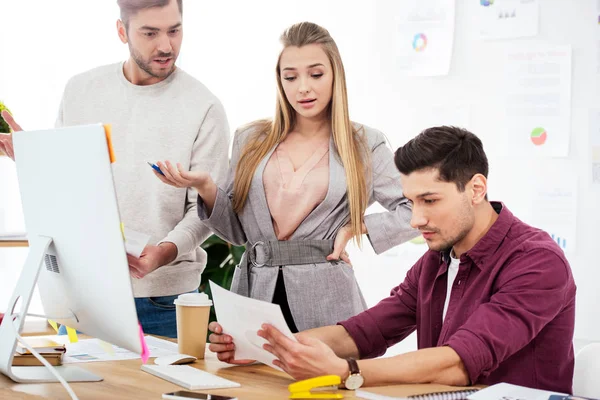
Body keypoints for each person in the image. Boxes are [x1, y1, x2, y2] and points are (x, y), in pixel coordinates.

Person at [208, 126, 576, 394]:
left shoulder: (537, 263)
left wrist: (345, 371)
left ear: (476, 189)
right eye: (411, 202)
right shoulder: (438, 260)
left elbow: (458, 363)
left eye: (429, 201)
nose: (415, 219)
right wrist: (269, 346)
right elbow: (368, 331)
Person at [153, 21, 417, 332]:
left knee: (325, 380)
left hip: (329, 304)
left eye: (316, 74)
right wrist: (206, 187)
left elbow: (417, 208)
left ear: (336, 76)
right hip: (254, 298)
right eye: (290, 77)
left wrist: (359, 227)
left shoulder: (364, 144)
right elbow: (237, 233)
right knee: (252, 379)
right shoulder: (250, 139)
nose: (303, 87)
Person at [0, 0, 230, 338]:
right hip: (86, 297)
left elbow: (205, 211)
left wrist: (163, 253)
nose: (166, 46)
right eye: (150, 33)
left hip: (164, 302)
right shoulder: (80, 90)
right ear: (122, 31)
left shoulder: (205, 107)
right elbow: (69, 185)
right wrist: (35, 159)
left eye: (174, 30)